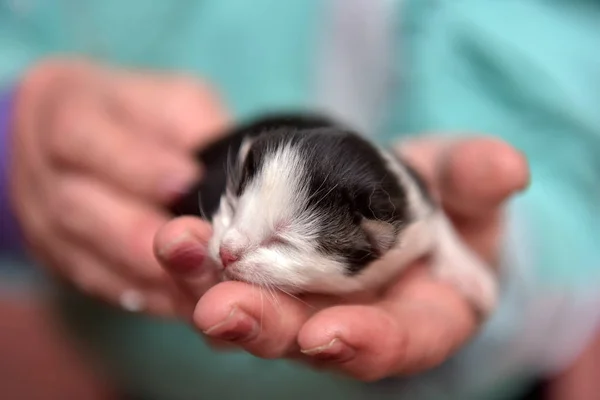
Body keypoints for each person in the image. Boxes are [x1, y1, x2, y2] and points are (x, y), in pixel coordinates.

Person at [1, 1, 599, 399]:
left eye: (282, 240)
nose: (230, 246)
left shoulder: (402, 214)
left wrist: (512, 258)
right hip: (107, 363)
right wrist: (17, 134)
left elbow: (566, 120)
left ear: (376, 238)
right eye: (235, 208)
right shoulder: (242, 181)